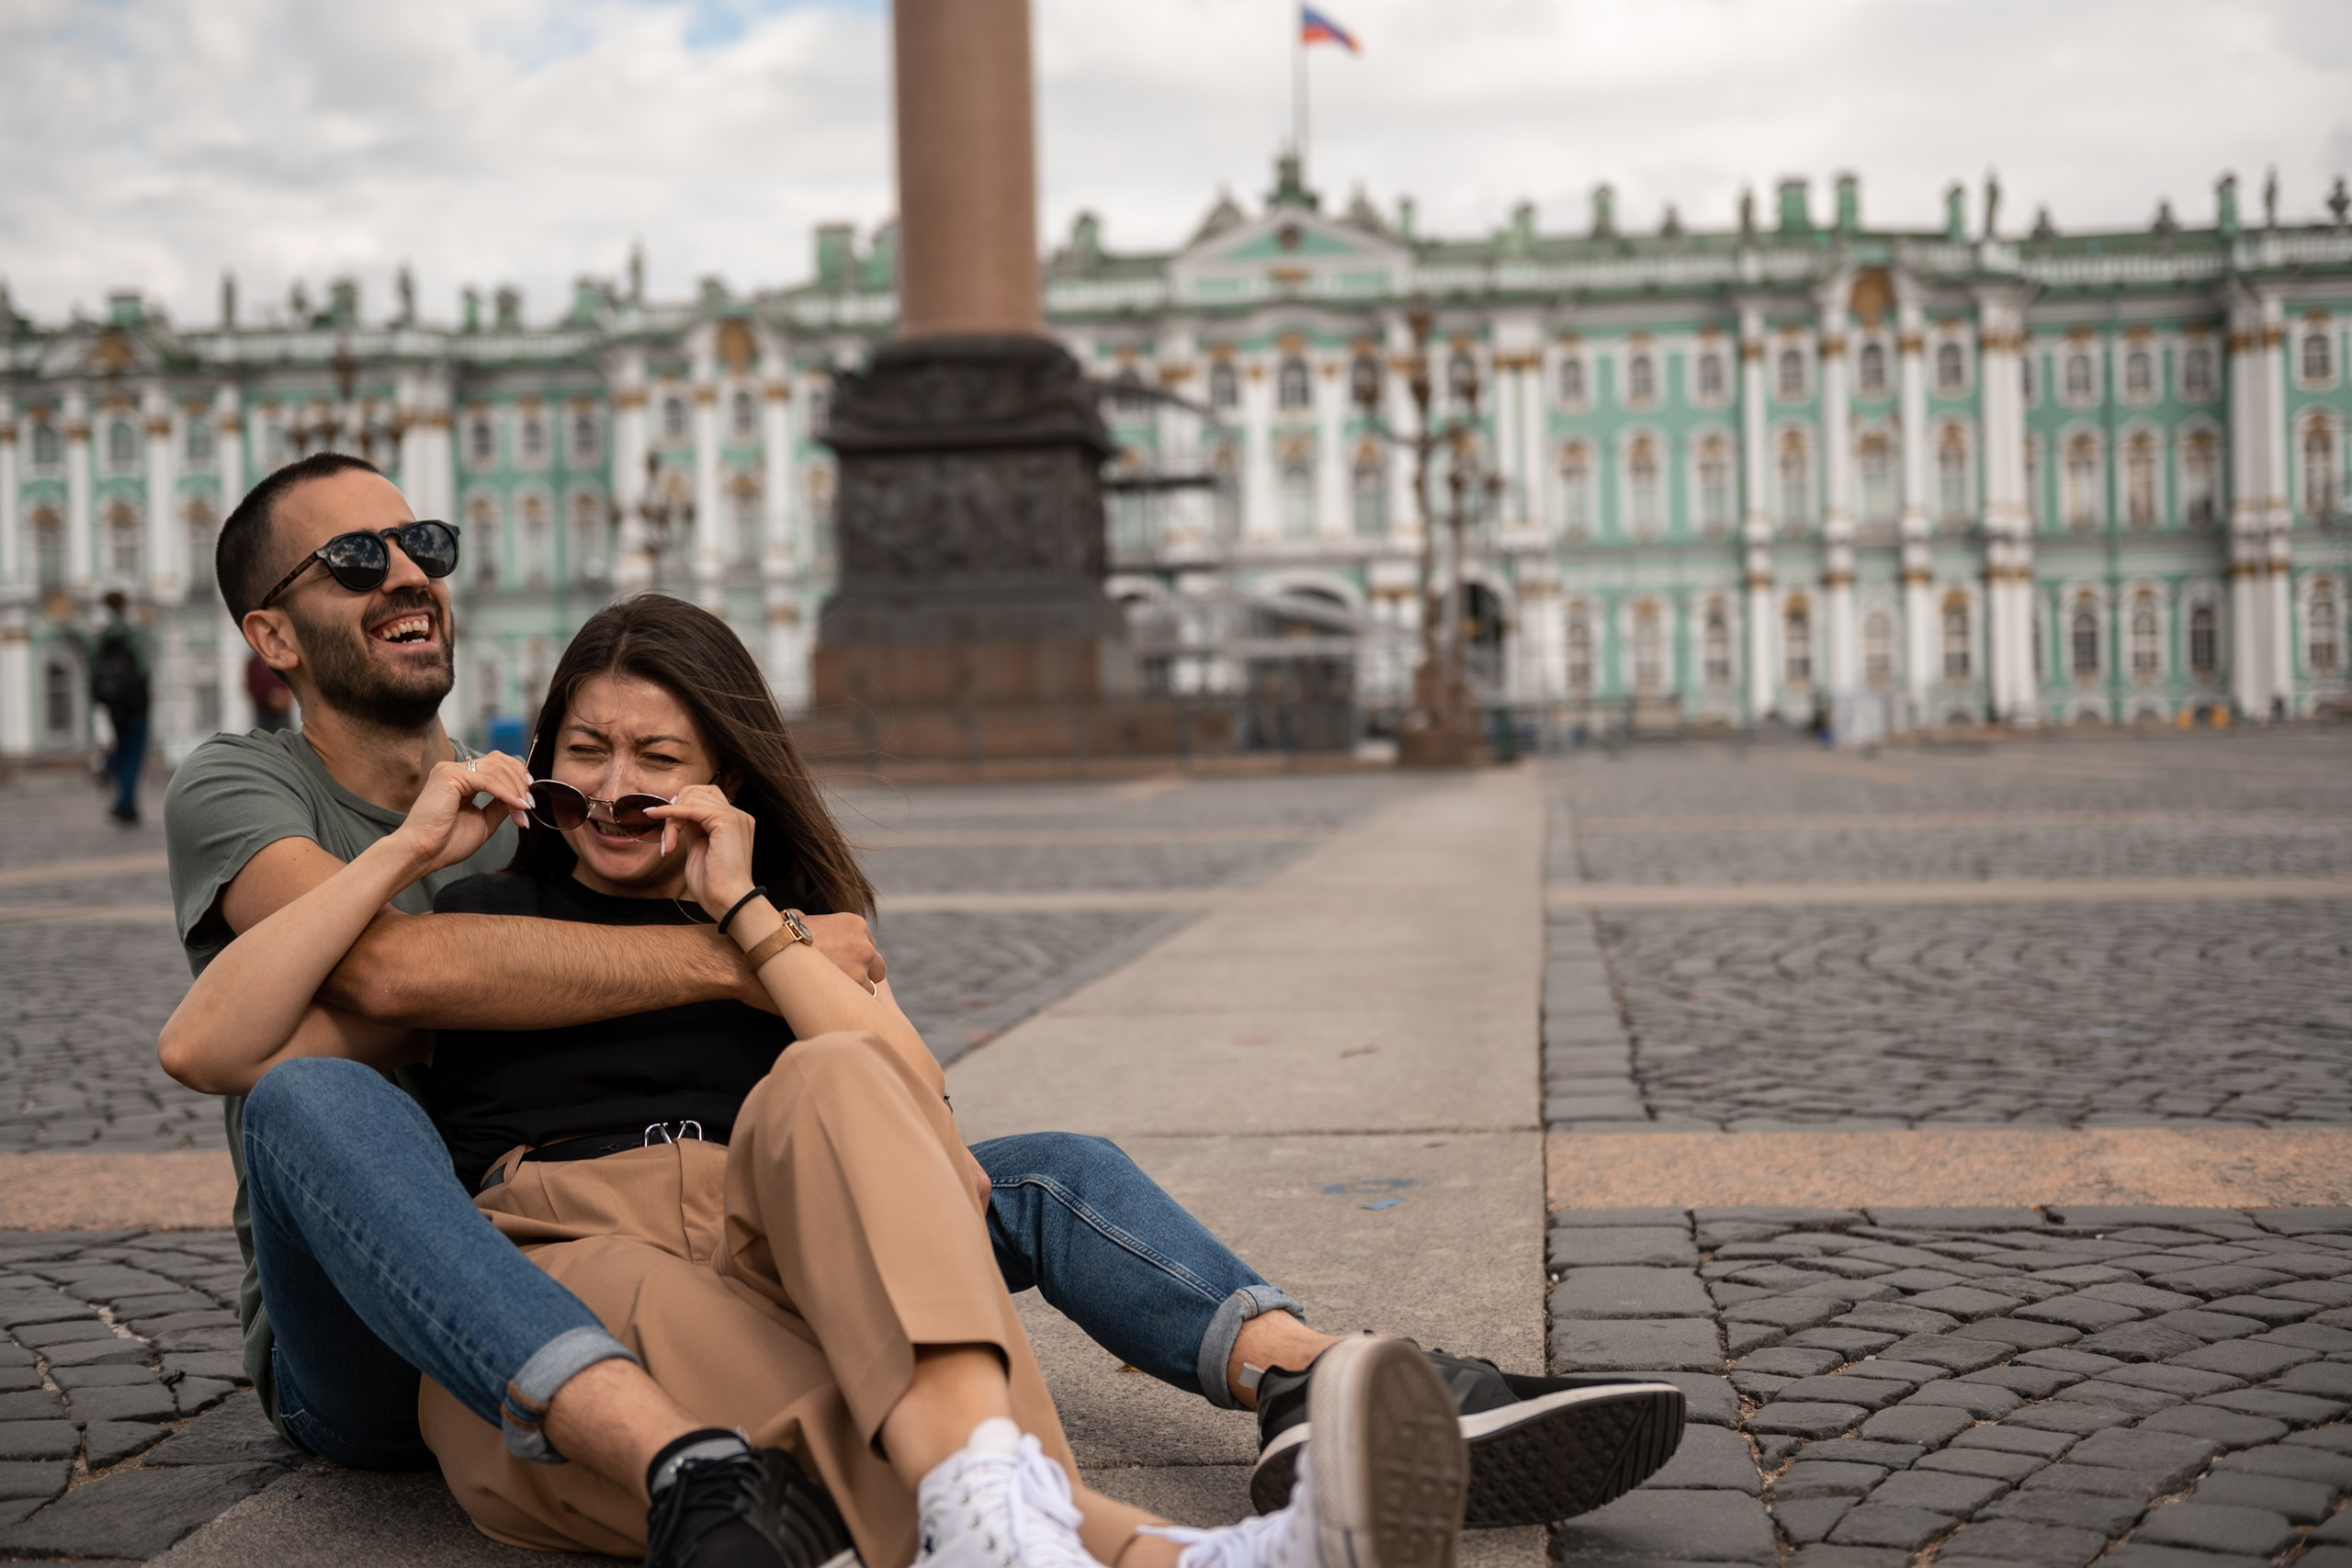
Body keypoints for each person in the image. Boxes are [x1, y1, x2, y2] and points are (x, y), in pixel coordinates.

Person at [158, 453, 1680, 1561]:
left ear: (730, 773)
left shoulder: (762, 905)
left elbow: (911, 1120)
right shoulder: (324, 828)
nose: (621, 782)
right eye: (356, 559)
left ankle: (1304, 1376)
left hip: (761, 1204)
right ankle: (1140, 1544)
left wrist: (763, 926)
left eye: (419, 539)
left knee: (1022, 1159)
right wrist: (676, 933)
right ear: (277, 634)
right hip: (452, 1277)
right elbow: (329, 1001)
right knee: (349, 1113)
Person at [89, 591, 152, 823]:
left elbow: (92, 666)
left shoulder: (102, 635)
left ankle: (108, 766)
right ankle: (125, 804)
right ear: (124, 606)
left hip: (113, 702)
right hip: (135, 702)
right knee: (133, 753)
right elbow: (143, 668)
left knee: (122, 746)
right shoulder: (132, 632)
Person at [246, 651, 295, 733]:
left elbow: (292, 683)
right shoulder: (255, 664)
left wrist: (287, 698)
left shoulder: (283, 661)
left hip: (283, 713)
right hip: (265, 714)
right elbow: (252, 687)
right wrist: (269, 698)